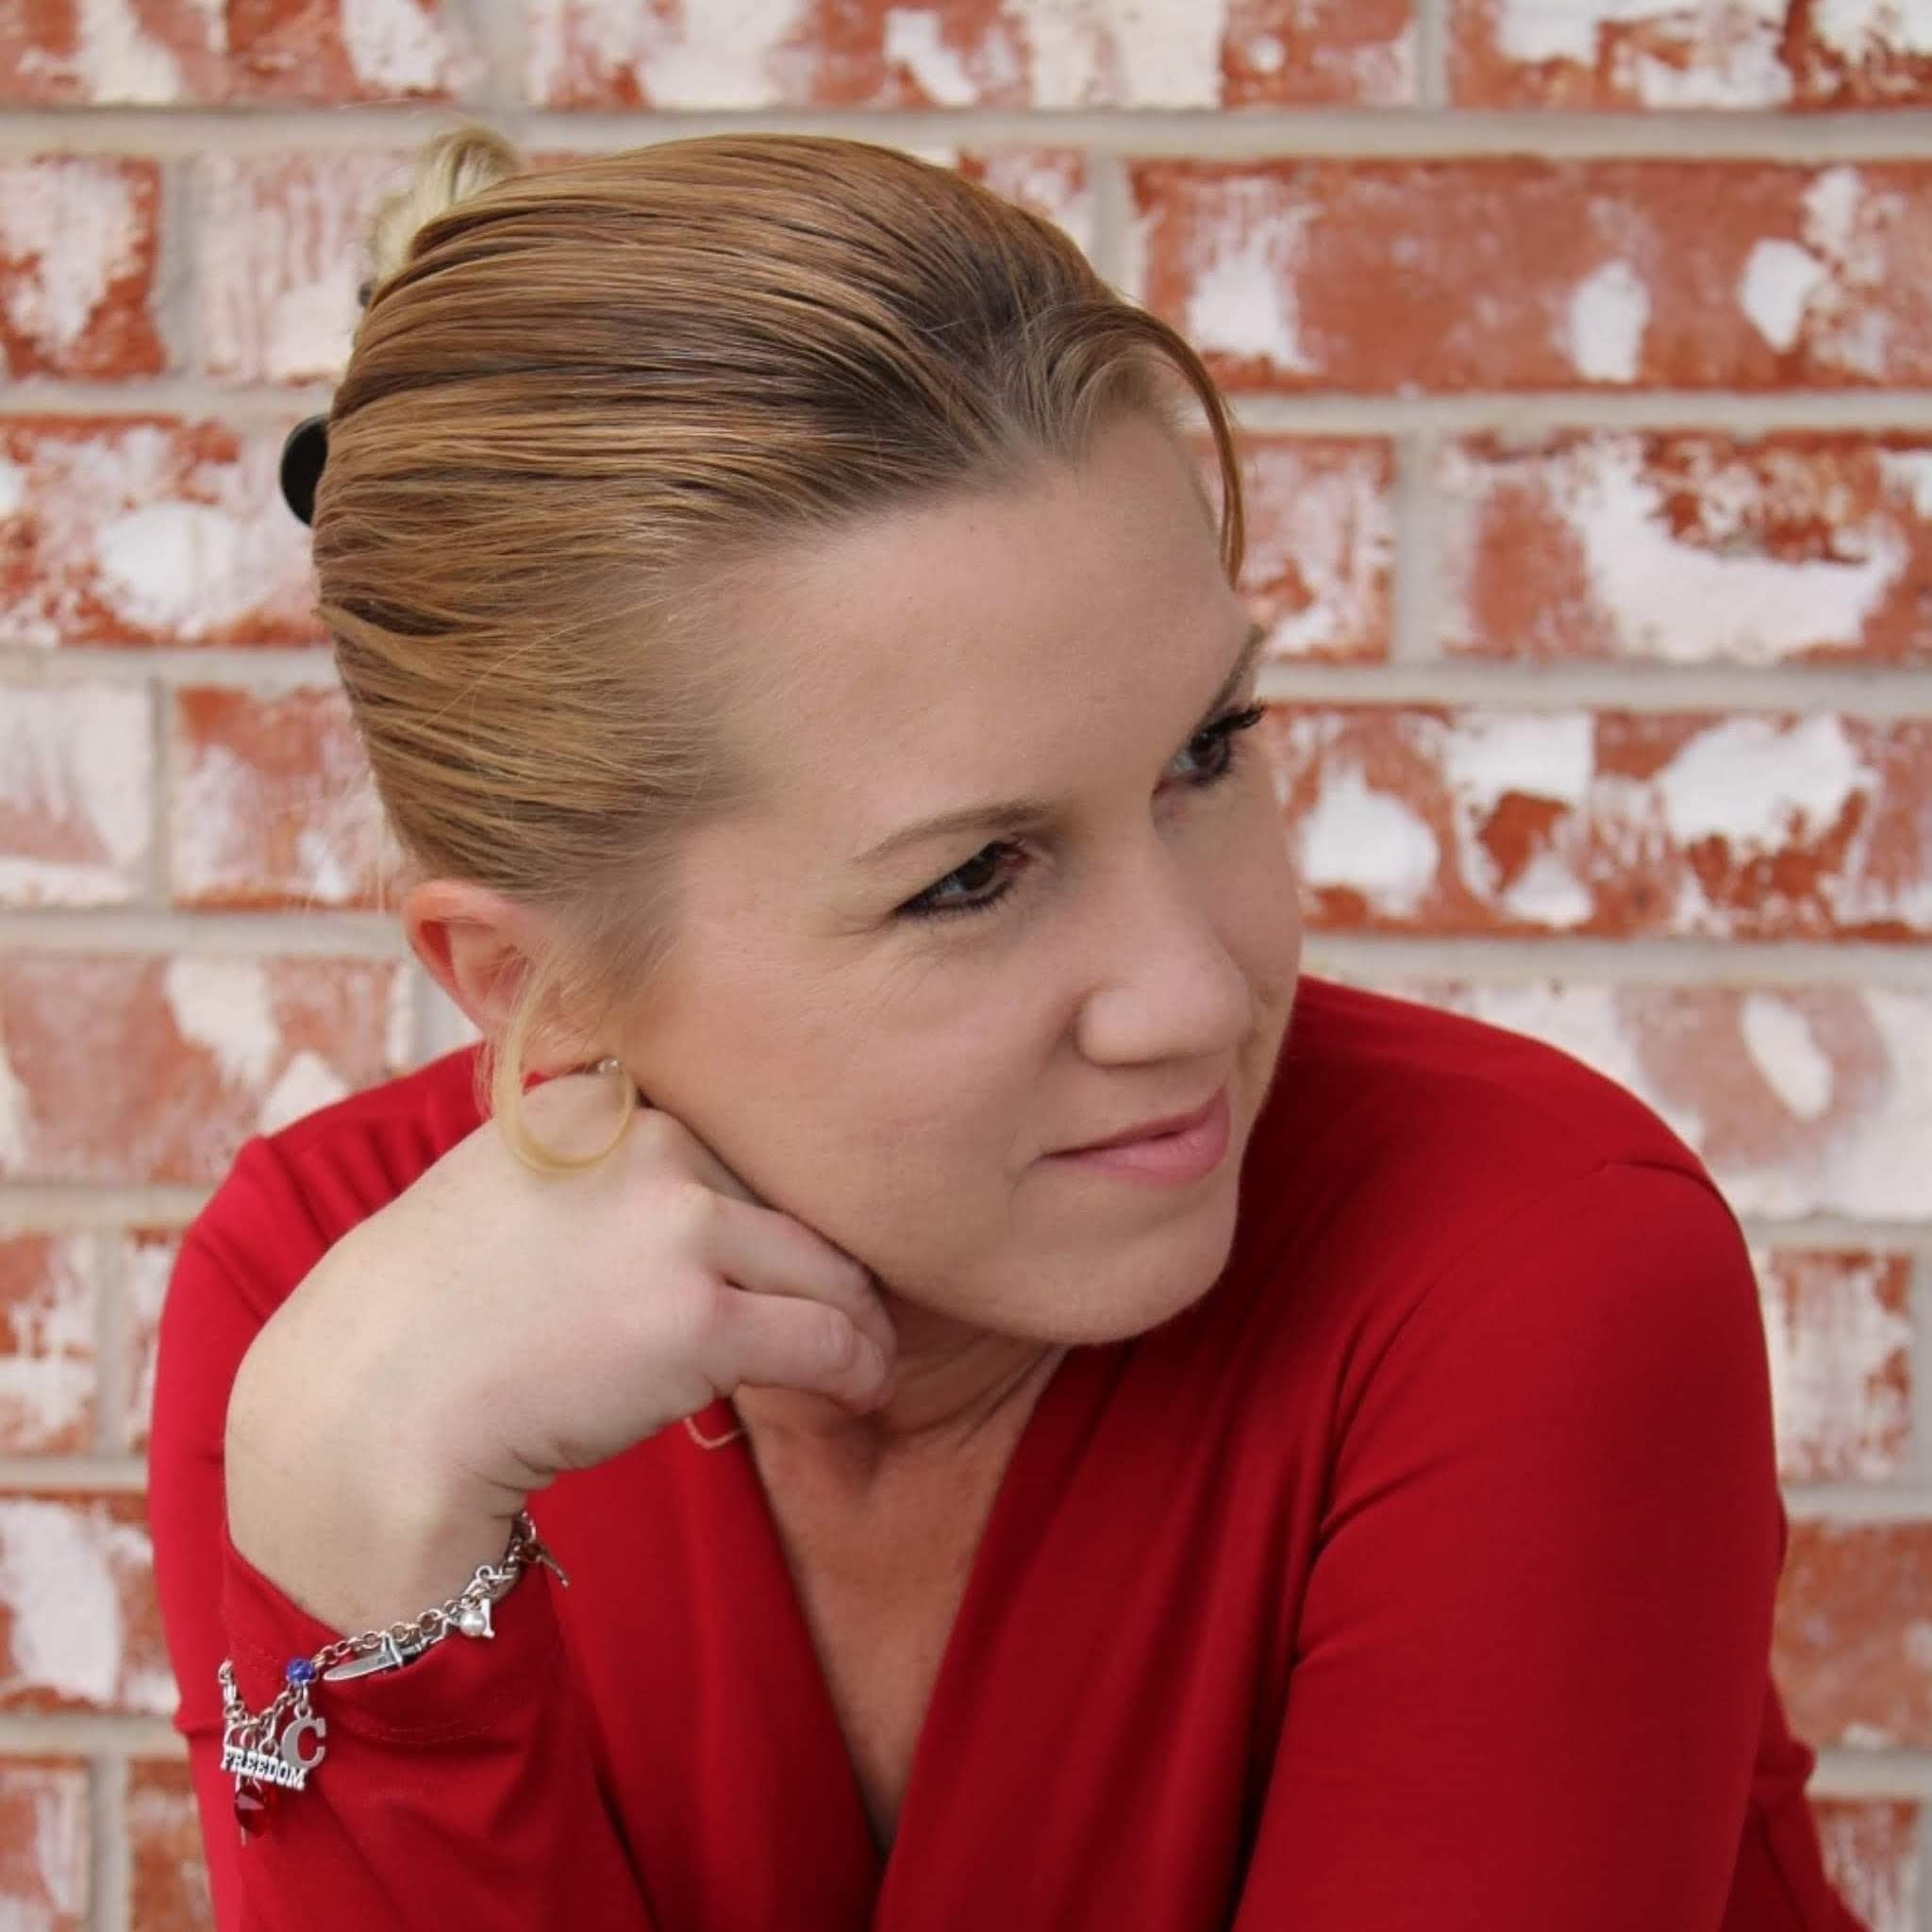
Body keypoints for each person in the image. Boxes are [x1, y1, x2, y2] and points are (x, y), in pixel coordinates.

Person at [144, 122, 1869, 1931]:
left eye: (1209, 751)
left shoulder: (1525, 1267)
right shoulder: (328, 1330)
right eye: (972, 876)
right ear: (531, 986)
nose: (1199, 994)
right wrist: (354, 1543)